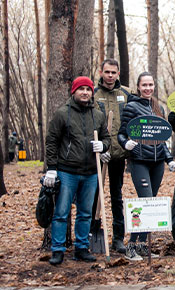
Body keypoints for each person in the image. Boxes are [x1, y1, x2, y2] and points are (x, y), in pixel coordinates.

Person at [44, 76, 111, 265]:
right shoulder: (62, 114)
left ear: (92, 93)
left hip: (90, 172)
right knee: (61, 212)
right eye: (81, 89)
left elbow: (107, 138)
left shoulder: (97, 115)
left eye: (88, 89)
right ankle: (57, 250)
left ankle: (81, 248)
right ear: (74, 92)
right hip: (67, 171)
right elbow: (51, 142)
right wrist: (51, 169)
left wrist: (103, 146)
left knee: (85, 213)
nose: (85, 92)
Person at [117, 72, 175, 261]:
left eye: (150, 85)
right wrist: (125, 144)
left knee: (150, 204)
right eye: (144, 85)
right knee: (144, 203)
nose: (148, 88)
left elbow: (161, 140)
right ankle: (131, 246)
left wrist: (169, 160)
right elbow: (122, 133)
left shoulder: (158, 107)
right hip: (139, 162)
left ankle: (143, 245)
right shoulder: (132, 107)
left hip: (157, 164)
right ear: (138, 87)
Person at [93, 58, 135, 254]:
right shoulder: (93, 94)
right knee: (95, 197)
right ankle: (94, 233)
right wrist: (98, 150)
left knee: (117, 197)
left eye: (113, 72)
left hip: (118, 155)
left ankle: (118, 238)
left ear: (118, 74)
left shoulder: (126, 94)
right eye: (107, 72)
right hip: (98, 156)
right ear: (101, 72)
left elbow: (137, 118)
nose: (110, 75)